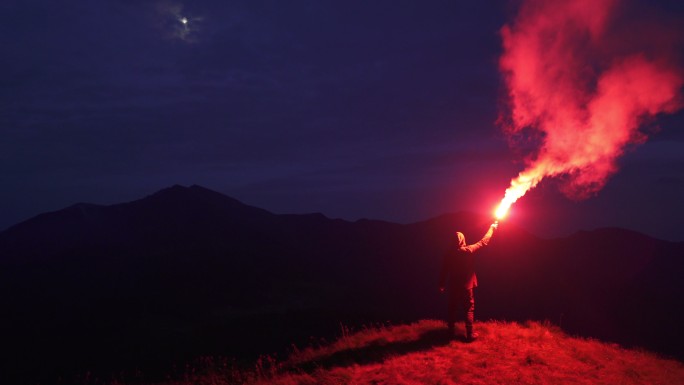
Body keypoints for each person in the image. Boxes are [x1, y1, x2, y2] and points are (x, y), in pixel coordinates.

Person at [439, 221, 498, 341]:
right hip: (467, 286)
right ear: (462, 240)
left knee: (452, 308)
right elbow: (483, 242)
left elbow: (444, 270)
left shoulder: (448, 254)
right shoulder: (468, 250)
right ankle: (469, 334)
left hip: (453, 286)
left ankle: (450, 332)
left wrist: (441, 284)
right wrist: (492, 228)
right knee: (469, 309)